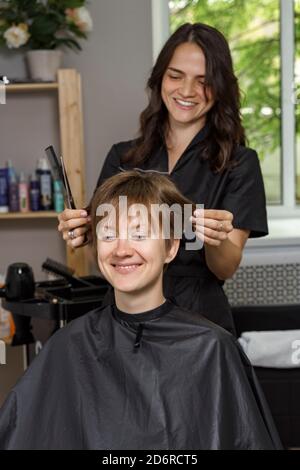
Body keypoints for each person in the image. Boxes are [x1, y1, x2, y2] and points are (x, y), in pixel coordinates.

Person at [0, 171, 281, 450]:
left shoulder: (212, 348)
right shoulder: (67, 346)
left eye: (139, 233)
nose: (122, 249)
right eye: (108, 235)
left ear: (170, 248)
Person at [58, 23, 268, 334]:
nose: (186, 91)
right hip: (124, 315)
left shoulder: (238, 164)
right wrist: (83, 234)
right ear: (159, 80)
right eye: (175, 76)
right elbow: (100, 255)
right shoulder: (124, 158)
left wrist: (215, 238)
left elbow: (225, 267)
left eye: (204, 81)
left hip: (199, 320)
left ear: (220, 87)